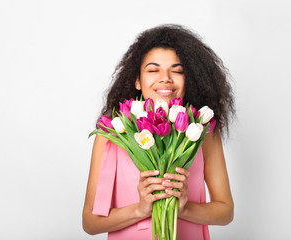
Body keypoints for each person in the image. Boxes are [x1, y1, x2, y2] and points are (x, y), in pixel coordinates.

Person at [82, 24, 234, 239]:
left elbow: (226, 211)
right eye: (153, 70)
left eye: (178, 71)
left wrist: (185, 208)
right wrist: (140, 209)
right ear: (137, 80)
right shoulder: (111, 136)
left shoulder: (202, 131)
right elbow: (90, 222)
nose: (165, 78)